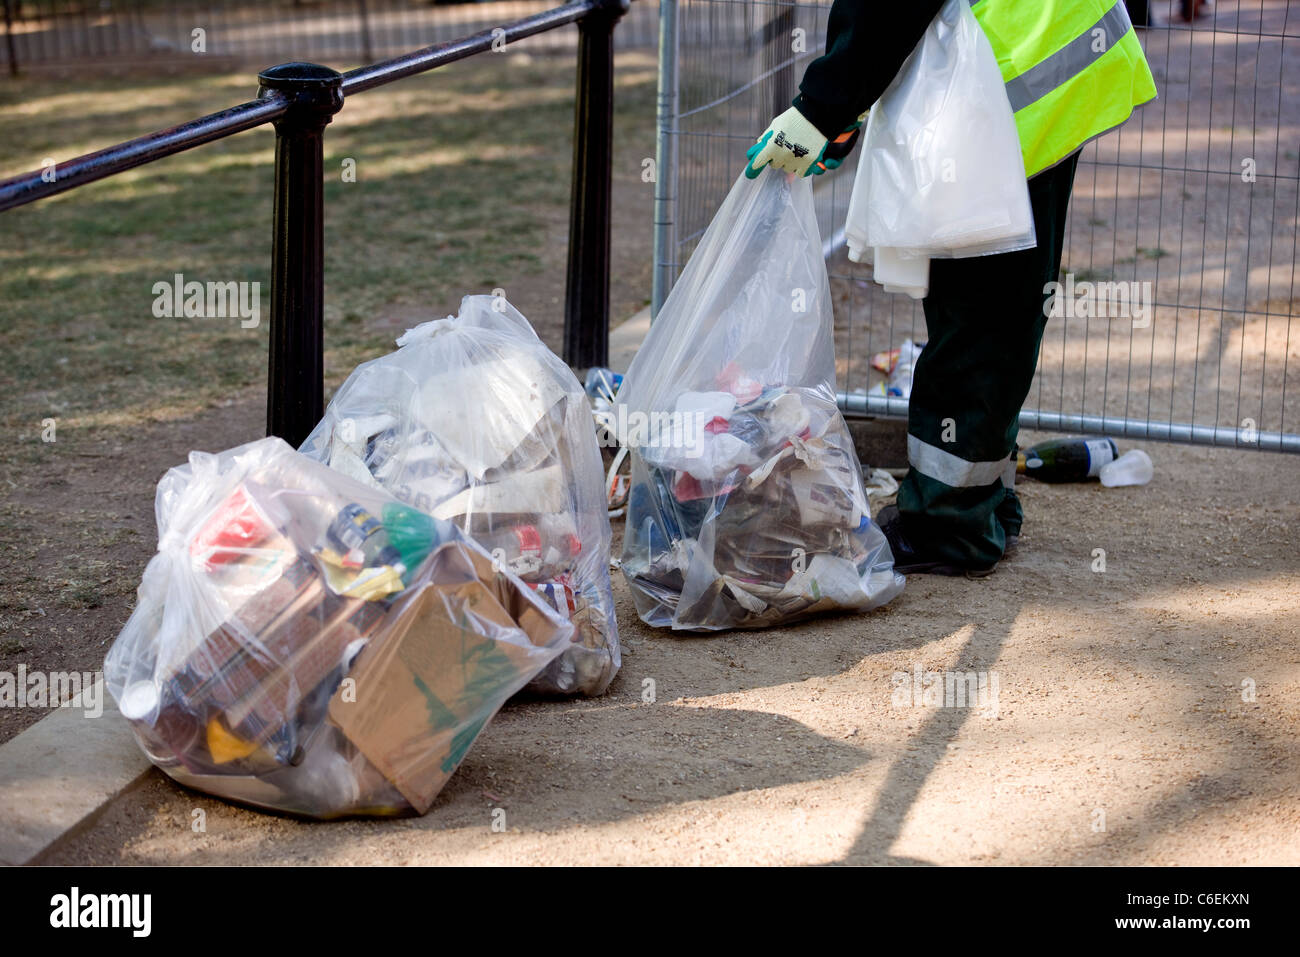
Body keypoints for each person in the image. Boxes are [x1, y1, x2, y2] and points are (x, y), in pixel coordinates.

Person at [745, 0, 1157, 576]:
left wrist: (822, 106)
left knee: (979, 316)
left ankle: (949, 525)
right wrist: (844, 104)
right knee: (1001, 310)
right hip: (1040, 64)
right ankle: (984, 502)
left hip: (1008, 88)